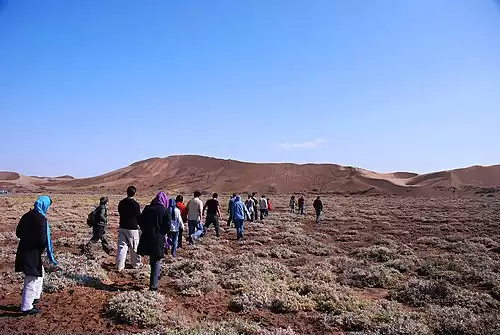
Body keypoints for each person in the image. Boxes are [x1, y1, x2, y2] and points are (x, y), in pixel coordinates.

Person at [15, 195, 57, 315]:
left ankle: (34, 297)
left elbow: (18, 232)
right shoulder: (41, 219)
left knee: (40, 273)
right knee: (31, 278)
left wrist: (27, 238)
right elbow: (42, 240)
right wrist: (38, 247)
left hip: (24, 249)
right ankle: (26, 307)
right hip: (32, 253)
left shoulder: (27, 215)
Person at [137, 192, 171, 291]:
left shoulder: (148, 208)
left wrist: (145, 229)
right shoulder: (165, 210)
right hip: (158, 239)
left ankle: (153, 280)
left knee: (153, 260)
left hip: (147, 237)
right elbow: (168, 226)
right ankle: (153, 286)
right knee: (156, 261)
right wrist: (161, 233)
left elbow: (140, 220)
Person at [116, 186, 141, 271]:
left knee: (121, 247)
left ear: (127, 192)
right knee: (134, 247)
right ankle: (136, 265)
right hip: (132, 228)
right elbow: (138, 216)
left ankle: (119, 266)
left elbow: (119, 212)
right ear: (134, 193)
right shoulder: (135, 204)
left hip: (122, 226)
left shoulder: (121, 203)